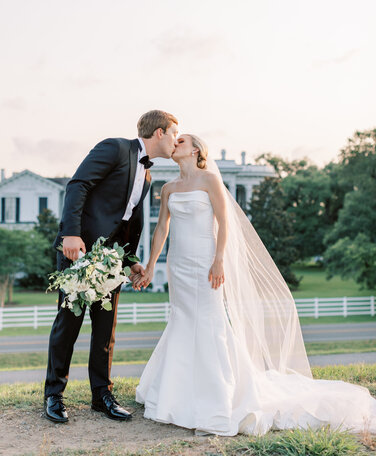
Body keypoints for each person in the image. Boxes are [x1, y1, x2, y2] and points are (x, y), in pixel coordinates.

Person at [134, 133, 376, 436]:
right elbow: (162, 230)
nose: (174, 144)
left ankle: (219, 397)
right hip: (178, 266)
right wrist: (152, 264)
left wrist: (219, 259)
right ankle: (177, 392)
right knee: (182, 319)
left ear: (195, 149)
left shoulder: (210, 180)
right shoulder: (168, 188)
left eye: (180, 141)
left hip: (206, 261)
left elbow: (224, 222)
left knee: (210, 322)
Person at [44, 110, 178, 424]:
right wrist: (71, 233)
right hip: (79, 252)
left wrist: (130, 262)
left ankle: (101, 395)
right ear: (159, 132)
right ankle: (54, 395)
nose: (176, 140)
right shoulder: (115, 148)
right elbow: (77, 185)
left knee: (106, 330)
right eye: (174, 133)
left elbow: (126, 222)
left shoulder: (147, 174)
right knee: (68, 325)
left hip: (111, 261)